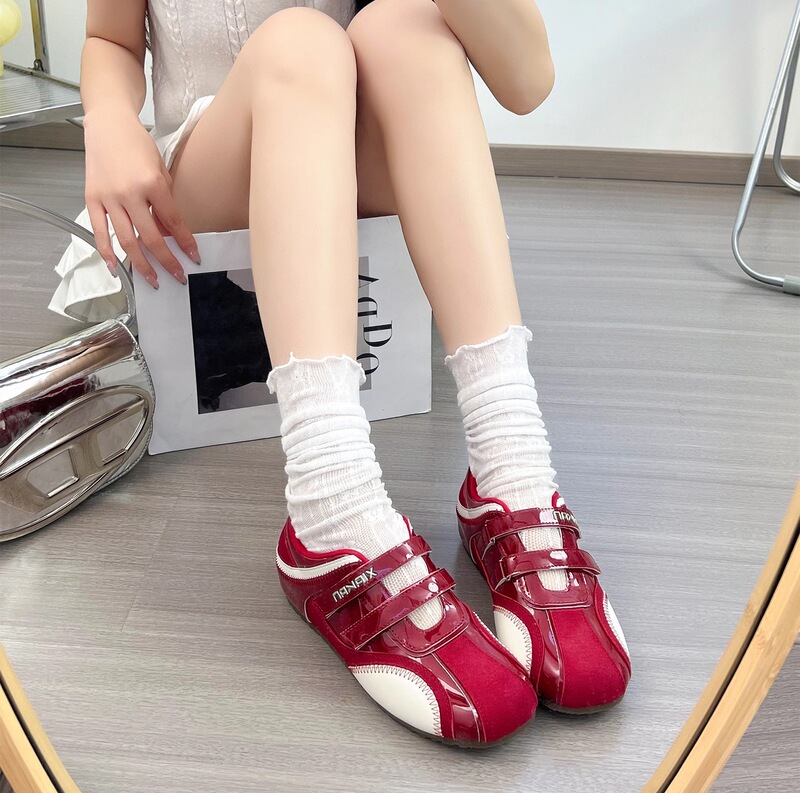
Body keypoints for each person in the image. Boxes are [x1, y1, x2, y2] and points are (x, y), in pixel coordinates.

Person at [54, 0, 631, 747]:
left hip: (345, 172)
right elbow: (109, 37)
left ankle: (511, 468)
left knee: (405, 31)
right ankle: (332, 502)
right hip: (206, 177)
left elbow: (526, 82)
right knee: (301, 42)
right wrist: (108, 122)